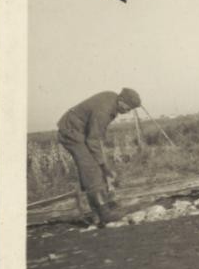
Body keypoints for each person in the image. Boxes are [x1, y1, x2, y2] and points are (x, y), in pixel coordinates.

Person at [57, 88, 141, 225]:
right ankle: (103, 213)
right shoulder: (104, 110)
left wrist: (103, 163)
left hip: (80, 131)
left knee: (95, 168)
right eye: (128, 107)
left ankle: (103, 206)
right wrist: (104, 165)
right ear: (122, 101)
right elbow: (93, 140)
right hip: (71, 133)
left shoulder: (113, 99)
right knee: (92, 169)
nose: (128, 111)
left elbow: (96, 135)